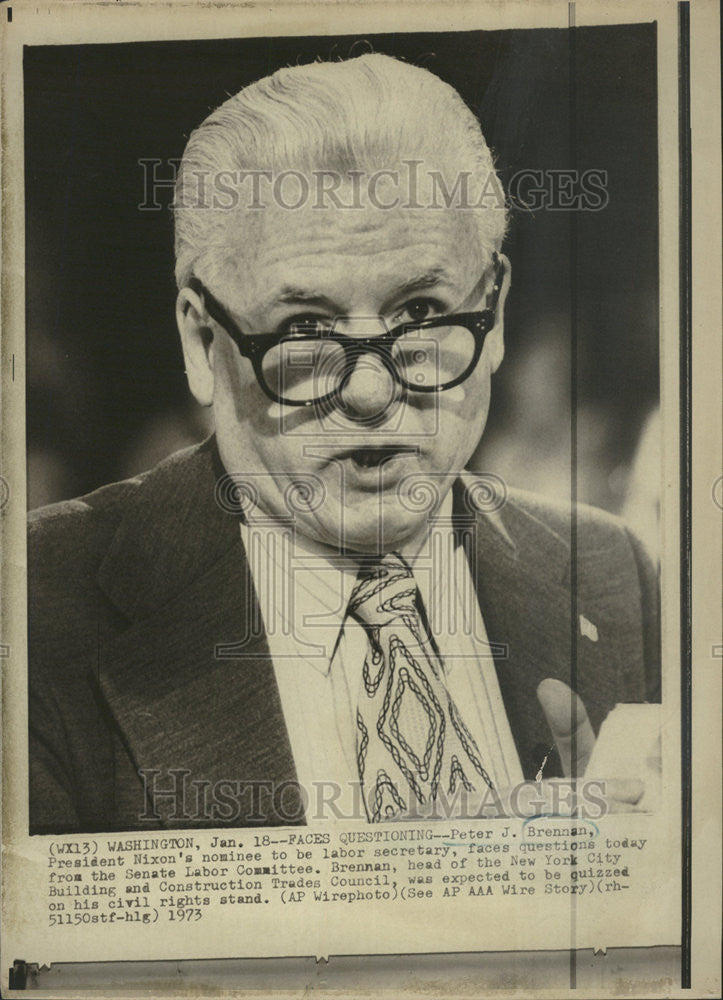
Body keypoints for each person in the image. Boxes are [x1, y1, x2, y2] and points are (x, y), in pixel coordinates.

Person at [28, 53, 659, 833]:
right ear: (200, 341)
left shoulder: (611, 575)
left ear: (491, 312)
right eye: (304, 329)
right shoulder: (33, 602)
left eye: (422, 314)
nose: (370, 393)